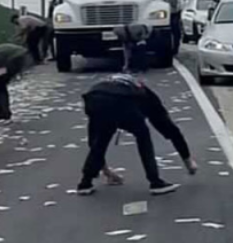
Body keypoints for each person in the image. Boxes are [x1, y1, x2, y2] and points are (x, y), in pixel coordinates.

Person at [76, 68, 197, 196]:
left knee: (100, 138)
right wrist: (188, 161)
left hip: (93, 99)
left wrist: (107, 173)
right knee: (143, 134)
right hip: (120, 101)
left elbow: (92, 142)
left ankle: (85, 184)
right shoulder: (148, 96)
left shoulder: (114, 84)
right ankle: (155, 182)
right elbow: (170, 129)